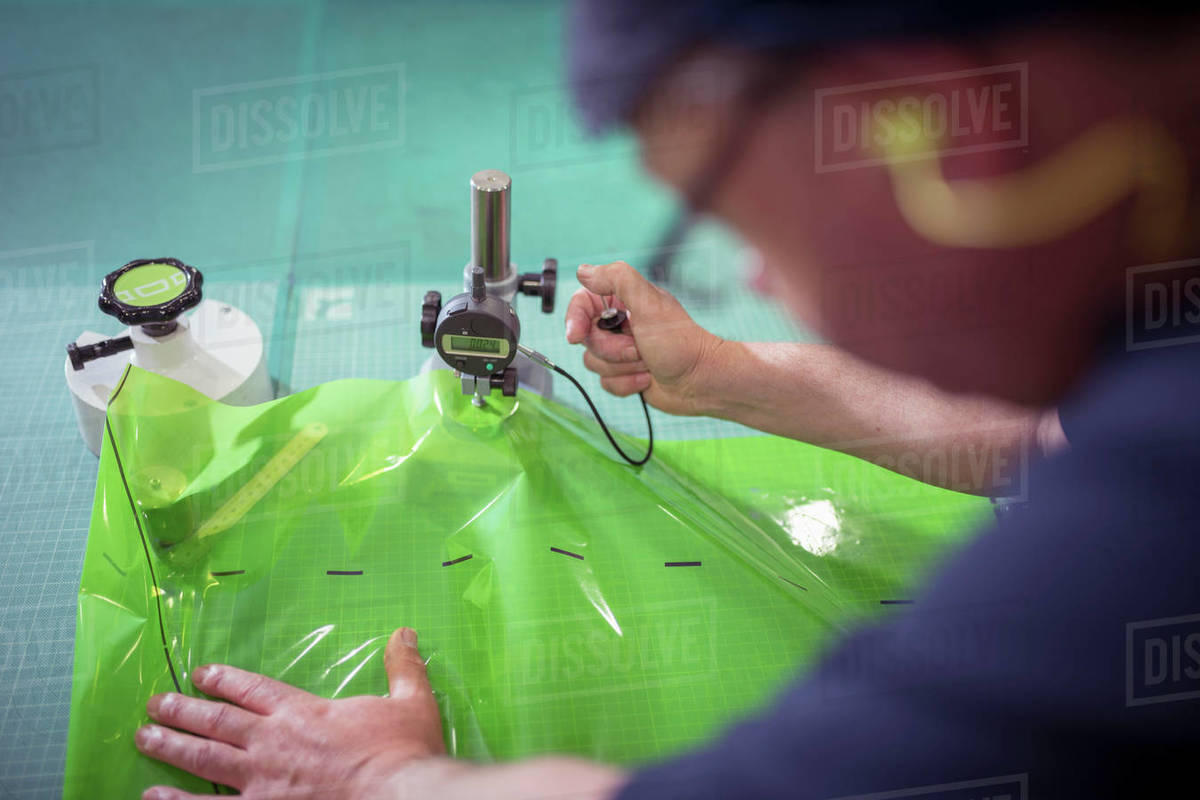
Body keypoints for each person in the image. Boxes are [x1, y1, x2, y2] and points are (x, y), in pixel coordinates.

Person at [134, 2, 1200, 798]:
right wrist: (726, 374)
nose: (768, 284)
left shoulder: (1143, 544)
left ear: (933, 128)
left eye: (734, 224)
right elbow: (1049, 439)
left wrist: (386, 779)